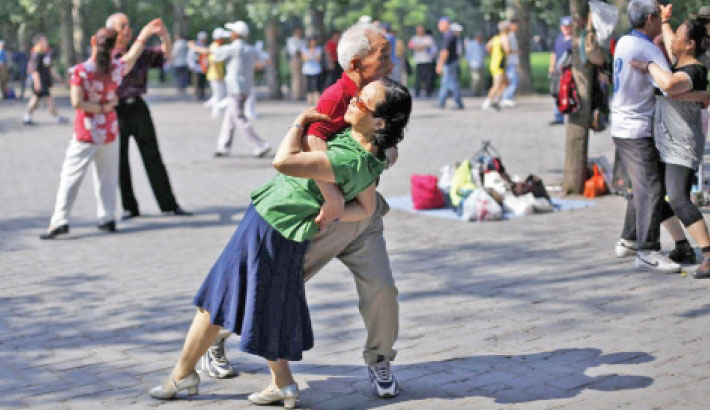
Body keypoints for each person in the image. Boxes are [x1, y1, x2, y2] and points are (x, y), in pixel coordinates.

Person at [148, 79, 412, 408]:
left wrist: (298, 123)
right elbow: (367, 207)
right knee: (248, 302)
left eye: (362, 102)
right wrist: (332, 211)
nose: (354, 101)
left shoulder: (348, 160)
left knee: (221, 302)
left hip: (271, 222)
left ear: (379, 122)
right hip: (281, 227)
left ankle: (188, 376)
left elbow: (283, 160)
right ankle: (271, 382)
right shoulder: (370, 155)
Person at [197, 23, 402, 399]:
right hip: (322, 221)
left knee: (382, 289)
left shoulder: (383, 93)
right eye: (383, 54)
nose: (391, 61)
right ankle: (218, 335)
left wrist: (387, 152)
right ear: (357, 63)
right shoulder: (339, 96)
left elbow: (387, 139)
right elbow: (310, 140)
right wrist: (332, 197)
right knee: (270, 288)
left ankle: (380, 359)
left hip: (364, 216)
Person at [39, 23, 162, 239]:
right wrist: (144, 35)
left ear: (93, 43)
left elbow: (77, 102)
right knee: (107, 176)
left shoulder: (81, 71)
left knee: (70, 177)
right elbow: (132, 57)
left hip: (86, 133)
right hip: (110, 130)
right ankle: (107, 217)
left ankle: (60, 220)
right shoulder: (116, 69)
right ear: (114, 46)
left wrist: (99, 107)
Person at [630, 12, 710, 277]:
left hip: (682, 144)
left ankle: (708, 253)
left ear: (690, 45)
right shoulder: (678, 60)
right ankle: (682, 246)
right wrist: (665, 20)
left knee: (677, 197)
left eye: (678, 35)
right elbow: (669, 40)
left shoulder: (694, 70)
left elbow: (669, 84)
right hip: (666, 141)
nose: (672, 38)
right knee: (652, 194)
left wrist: (648, 65)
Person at [610, 0, 683, 273]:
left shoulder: (625, 42)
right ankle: (647, 249)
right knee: (651, 187)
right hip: (637, 128)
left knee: (642, 184)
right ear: (652, 17)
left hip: (623, 125)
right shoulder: (647, 47)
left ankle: (630, 238)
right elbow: (669, 85)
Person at [107, 13, 191, 220]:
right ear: (111, 31)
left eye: (129, 25)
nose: (127, 29)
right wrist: (144, 36)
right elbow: (124, 64)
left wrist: (165, 37)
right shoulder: (108, 52)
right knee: (120, 160)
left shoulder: (141, 51)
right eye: (122, 26)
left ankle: (168, 204)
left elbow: (165, 55)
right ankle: (129, 207)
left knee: (153, 155)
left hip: (138, 106)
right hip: (116, 109)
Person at [211, 21, 270, 158]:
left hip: (235, 88)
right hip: (245, 88)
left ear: (236, 34)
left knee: (238, 117)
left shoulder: (233, 48)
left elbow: (216, 54)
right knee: (229, 116)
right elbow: (264, 59)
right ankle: (223, 146)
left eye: (231, 32)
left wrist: (218, 41)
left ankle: (260, 145)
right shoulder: (250, 49)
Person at [23, 35, 68, 125]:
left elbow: (50, 68)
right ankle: (58, 117)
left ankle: (27, 116)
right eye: (44, 41)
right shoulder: (35, 55)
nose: (46, 43)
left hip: (44, 82)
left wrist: (59, 79)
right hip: (40, 82)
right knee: (47, 100)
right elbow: (34, 71)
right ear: (39, 43)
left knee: (35, 100)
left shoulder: (44, 55)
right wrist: (37, 83)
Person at [549, 16, 574, 125]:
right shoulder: (559, 38)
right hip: (559, 71)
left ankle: (572, 115)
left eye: (568, 27)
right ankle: (558, 116)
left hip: (569, 71)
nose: (566, 29)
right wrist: (551, 66)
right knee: (557, 92)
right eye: (564, 26)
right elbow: (554, 53)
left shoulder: (574, 40)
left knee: (571, 93)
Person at [482, 21, 511, 110]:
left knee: (506, 83)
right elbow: (507, 50)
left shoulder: (496, 38)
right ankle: (488, 101)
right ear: (506, 29)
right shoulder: (505, 38)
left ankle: (497, 99)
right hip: (500, 64)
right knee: (497, 85)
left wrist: (493, 53)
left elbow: (487, 46)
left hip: (495, 63)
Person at [436, 17, 464, 109]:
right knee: (446, 83)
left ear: (446, 24)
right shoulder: (450, 35)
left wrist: (439, 64)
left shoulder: (448, 35)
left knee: (452, 84)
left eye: (440, 24)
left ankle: (458, 102)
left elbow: (445, 52)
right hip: (451, 63)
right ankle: (441, 102)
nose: (439, 26)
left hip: (450, 63)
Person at [204, 28, 228, 118]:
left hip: (217, 75)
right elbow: (213, 62)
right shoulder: (215, 47)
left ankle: (215, 110)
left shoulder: (216, 46)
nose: (224, 40)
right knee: (219, 95)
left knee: (219, 95)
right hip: (216, 75)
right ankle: (216, 113)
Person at [409, 25, 436, 97]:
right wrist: (421, 47)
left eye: (421, 30)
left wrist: (418, 46)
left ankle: (428, 92)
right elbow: (411, 46)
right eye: (418, 30)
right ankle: (417, 92)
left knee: (428, 78)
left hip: (427, 60)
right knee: (418, 78)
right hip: (418, 61)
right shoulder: (414, 38)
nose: (419, 31)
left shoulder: (428, 38)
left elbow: (429, 47)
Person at [500, 18, 520, 107]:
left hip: (512, 62)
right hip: (510, 62)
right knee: (513, 81)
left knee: (510, 81)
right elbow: (507, 49)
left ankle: (508, 97)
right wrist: (516, 52)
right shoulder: (509, 35)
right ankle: (506, 98)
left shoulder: (512, 35)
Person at [302, 36, 323, 105]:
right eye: (312, 41)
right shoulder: (304, 49)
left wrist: (310, 56)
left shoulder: (319, 49)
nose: (313, 43)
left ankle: (317, 101)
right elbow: (304, 59)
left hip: (316, 70)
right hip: (307, 70)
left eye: (314, 41)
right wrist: (313, 56)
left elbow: (318, 59)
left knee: (316, 86)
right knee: (308, 86)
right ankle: (309, 101)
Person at [188, 31, 209, 101]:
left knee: (202, 83)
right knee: (196, 83)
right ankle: (197, 95)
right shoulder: (195, 46)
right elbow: (190, 57)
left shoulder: (204, 46)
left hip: (203, 67)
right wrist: (192, 66)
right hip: (196, 67)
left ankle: (202, 94)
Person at [286, 27, 306, 100]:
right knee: (296, 77)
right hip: (295, 59)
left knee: (302, 77)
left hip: (303, 59)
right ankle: (296, 95)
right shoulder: (292, 40)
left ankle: (301, 94)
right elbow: (294, 50)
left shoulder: (302, 40)